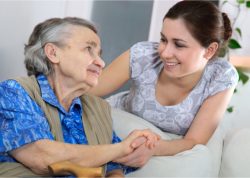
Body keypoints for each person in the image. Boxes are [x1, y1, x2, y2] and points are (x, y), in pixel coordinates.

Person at [87, 0, 239, 174]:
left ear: (210, 50)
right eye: (163, 39)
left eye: (179, 44)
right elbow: (87, 90)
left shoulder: (221, 76)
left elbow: (194, 141)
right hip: (116, 129)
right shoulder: (143, 55)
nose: (165, 53)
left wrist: (153, 148)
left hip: (161, 146)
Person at [0, 17, 161, 177]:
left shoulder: (99, 108)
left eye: (99, 53)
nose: (101, 62)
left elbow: (113, 167)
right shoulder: (15, 91)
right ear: (53, 53)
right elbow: (43, 158)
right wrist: (120, 148)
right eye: (89, 49)